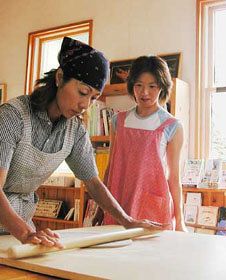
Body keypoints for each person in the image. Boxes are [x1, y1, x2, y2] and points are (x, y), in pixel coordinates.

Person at [0, 37, 165, 248]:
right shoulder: (12, 117)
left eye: (94, 98)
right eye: (83, 92)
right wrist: (25, 233)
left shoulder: (74, 129)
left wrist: (128, 221)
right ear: (60, 77)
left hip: (16, 230)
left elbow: (94, 185)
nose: (85, 105)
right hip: (18, 229)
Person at [94, 55, 186, 231]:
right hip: (118, 201)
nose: (145, 93)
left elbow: (174, 177)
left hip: (152, 204)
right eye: (139, 85)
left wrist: (180, 220)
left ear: (162, 87)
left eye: (152, 86)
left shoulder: (171, 125)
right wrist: (101, 207)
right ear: (131, 85)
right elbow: (111, 166)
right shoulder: (118, 121)